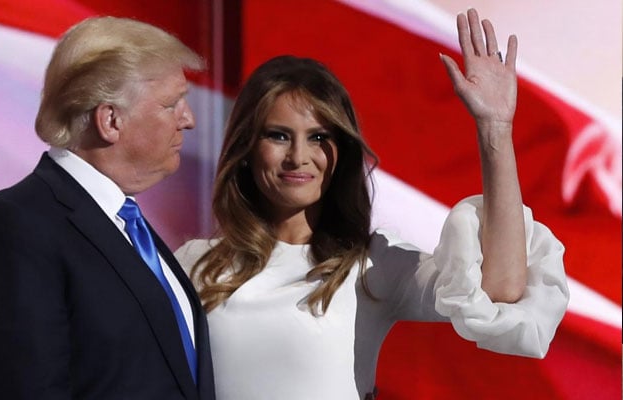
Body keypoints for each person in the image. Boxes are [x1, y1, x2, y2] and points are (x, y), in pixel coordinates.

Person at [174, 8, 569, 400]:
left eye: (318, 137)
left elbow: (499, 290)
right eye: (278, 136)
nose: (298, 157)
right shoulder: (193, 263)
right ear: (246, 149)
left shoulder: (374, 265)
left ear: (342, 152)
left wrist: (494, 130)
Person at [0, 17, 215, 399]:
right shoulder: (13, 227)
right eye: (171, 104)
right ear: (110, 120)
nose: (188, 120)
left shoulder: (127, 224)